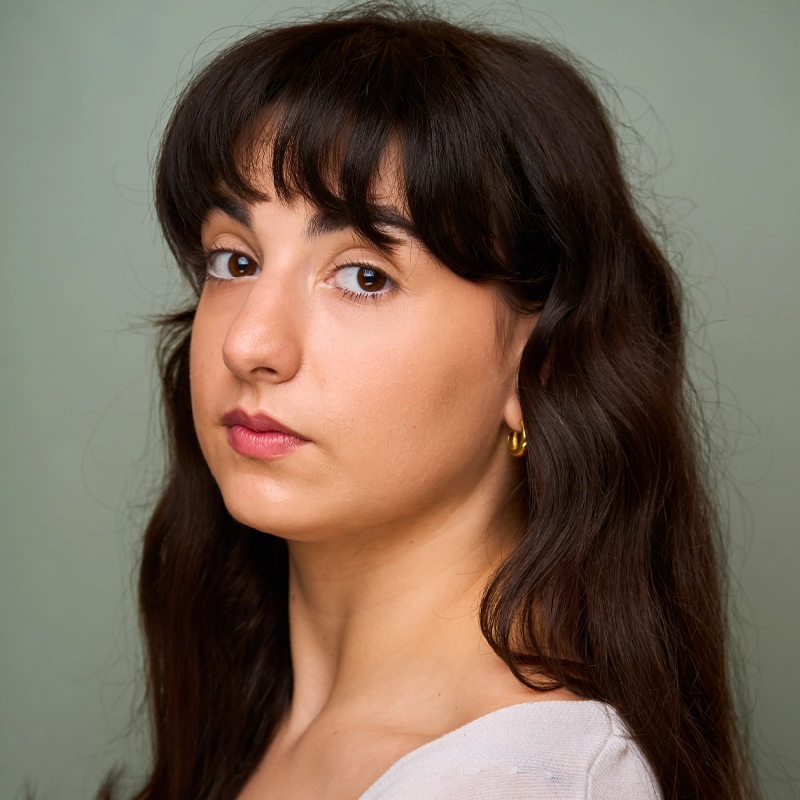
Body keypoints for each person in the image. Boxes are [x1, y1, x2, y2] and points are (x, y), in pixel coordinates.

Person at [122, 3, 760, 799]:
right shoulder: (252, 718)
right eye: (235, 259)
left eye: (364, 275)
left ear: (541, 363)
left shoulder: (519, 782)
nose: (248, 346)